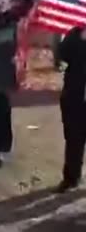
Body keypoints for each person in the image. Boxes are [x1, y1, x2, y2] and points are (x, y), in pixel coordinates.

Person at [55, 26, 86, 193]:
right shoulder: (75, 34)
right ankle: (71, 178)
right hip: (74, 95)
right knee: (74, 139)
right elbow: (62, 54)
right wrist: (80, 39)